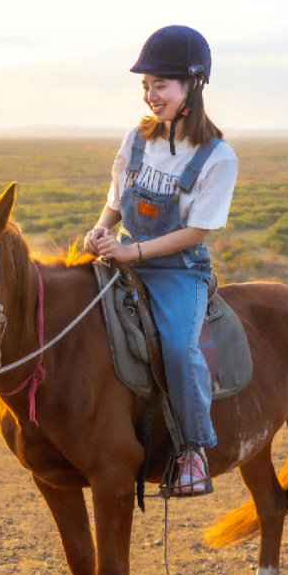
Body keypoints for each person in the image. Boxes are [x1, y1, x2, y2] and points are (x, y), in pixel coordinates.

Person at [84, 25, 237, 496]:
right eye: (146, 86)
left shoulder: (218, 157)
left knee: (178, 347)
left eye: (161, 85)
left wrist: (132, 251)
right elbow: (116, 198)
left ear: (193, 85)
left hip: (179, 270)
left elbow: (195, 232)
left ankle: (193, 450)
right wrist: (101, 229)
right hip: (124, 254)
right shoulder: (135, 140)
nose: (151, 95)